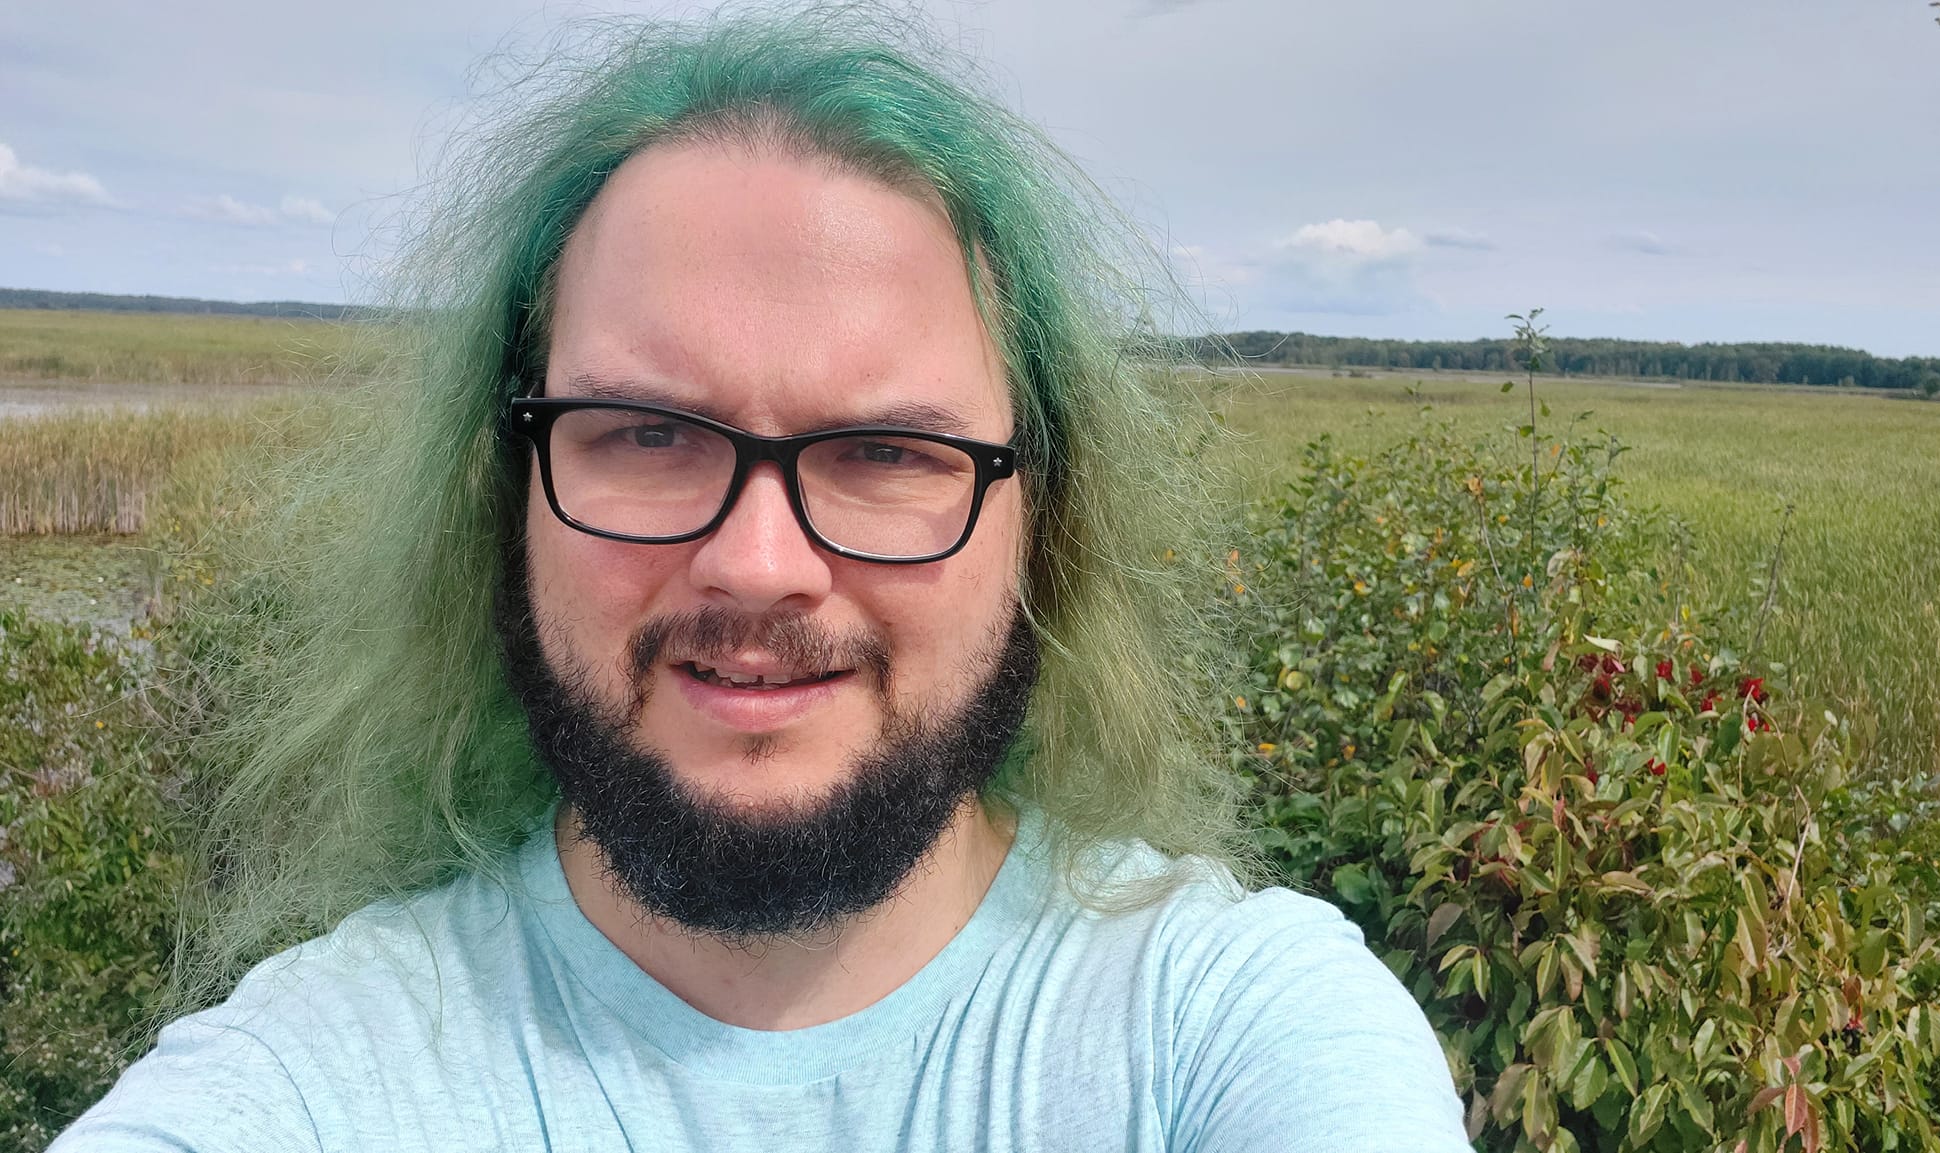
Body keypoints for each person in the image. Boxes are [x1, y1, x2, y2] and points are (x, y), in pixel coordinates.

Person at [56, 10, 1470, 1151]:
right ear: (502, 501)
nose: (759, 563)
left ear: (1048, 520)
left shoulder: (1226, 1026)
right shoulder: (319, 1073)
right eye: (647, 434)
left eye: (887, 450)